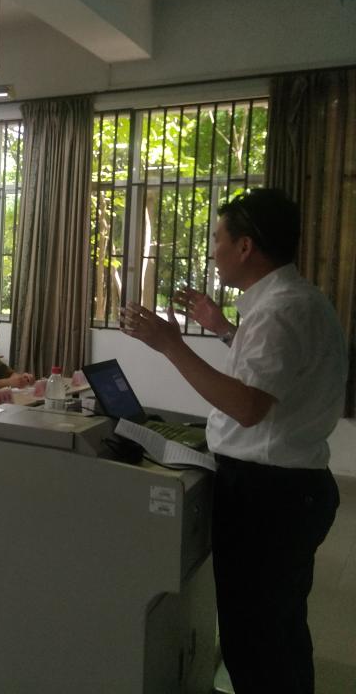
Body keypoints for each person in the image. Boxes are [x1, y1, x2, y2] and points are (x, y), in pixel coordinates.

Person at [121, 188, 345, 694]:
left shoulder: (280, 311)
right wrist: (223, 328)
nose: (213, 251)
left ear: (246, 247)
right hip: (289, 489)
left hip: (268, 496)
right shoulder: (296, 302)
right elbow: (271, 377)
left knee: (257, 640)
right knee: (277, 630)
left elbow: (247, 406)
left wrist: (170, 345)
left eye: (218, 239)